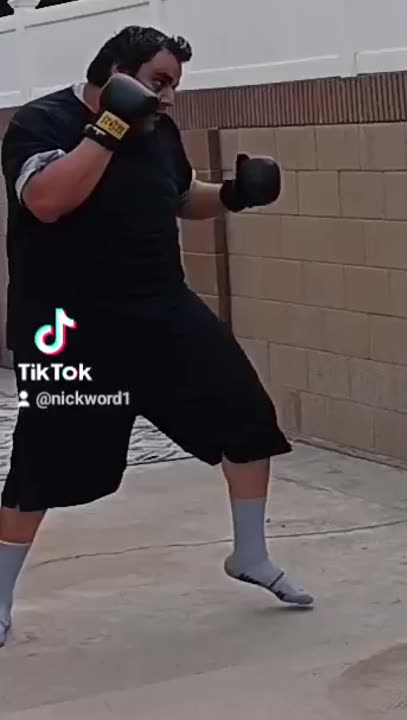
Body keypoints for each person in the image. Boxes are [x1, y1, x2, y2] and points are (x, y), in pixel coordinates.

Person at [0, 26, 313, 648]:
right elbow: (46, 200)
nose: (168, 97)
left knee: (248, 420)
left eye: (173, 85)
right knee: (43, 463)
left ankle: (249, 556)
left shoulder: (155, 129)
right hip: (70, 325)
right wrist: (110, 126)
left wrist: (230, 195)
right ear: (115, 72)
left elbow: (178, 196)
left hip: (163, 311)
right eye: (158, 82)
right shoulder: (42, 122)